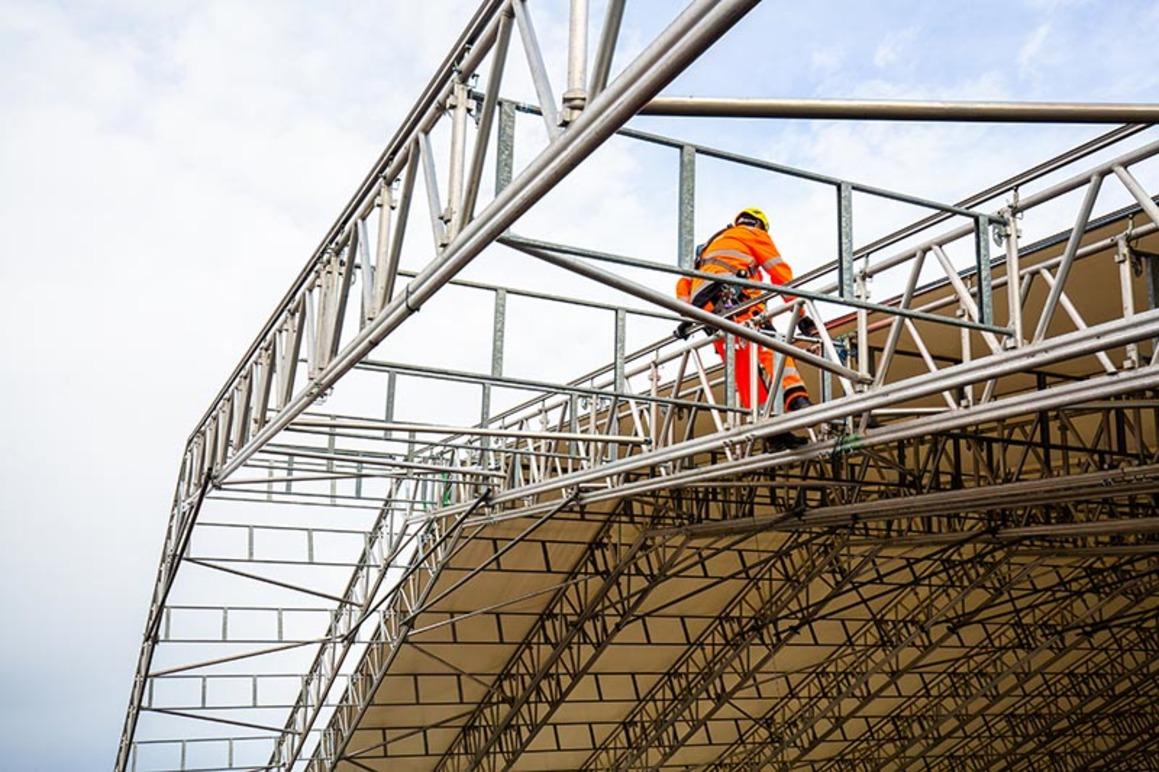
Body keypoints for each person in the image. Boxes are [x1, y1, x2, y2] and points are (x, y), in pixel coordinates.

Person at [674, 207, 814, 432]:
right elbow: (780, 275)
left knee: (742, 368)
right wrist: (802, 316)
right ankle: (797, 399)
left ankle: (771, 433)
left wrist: (687, 316)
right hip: (736, 301)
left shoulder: (708, 249)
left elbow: (683, 285)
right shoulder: (753, 234)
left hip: (708, 314)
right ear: (759, 225)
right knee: (771, 347)